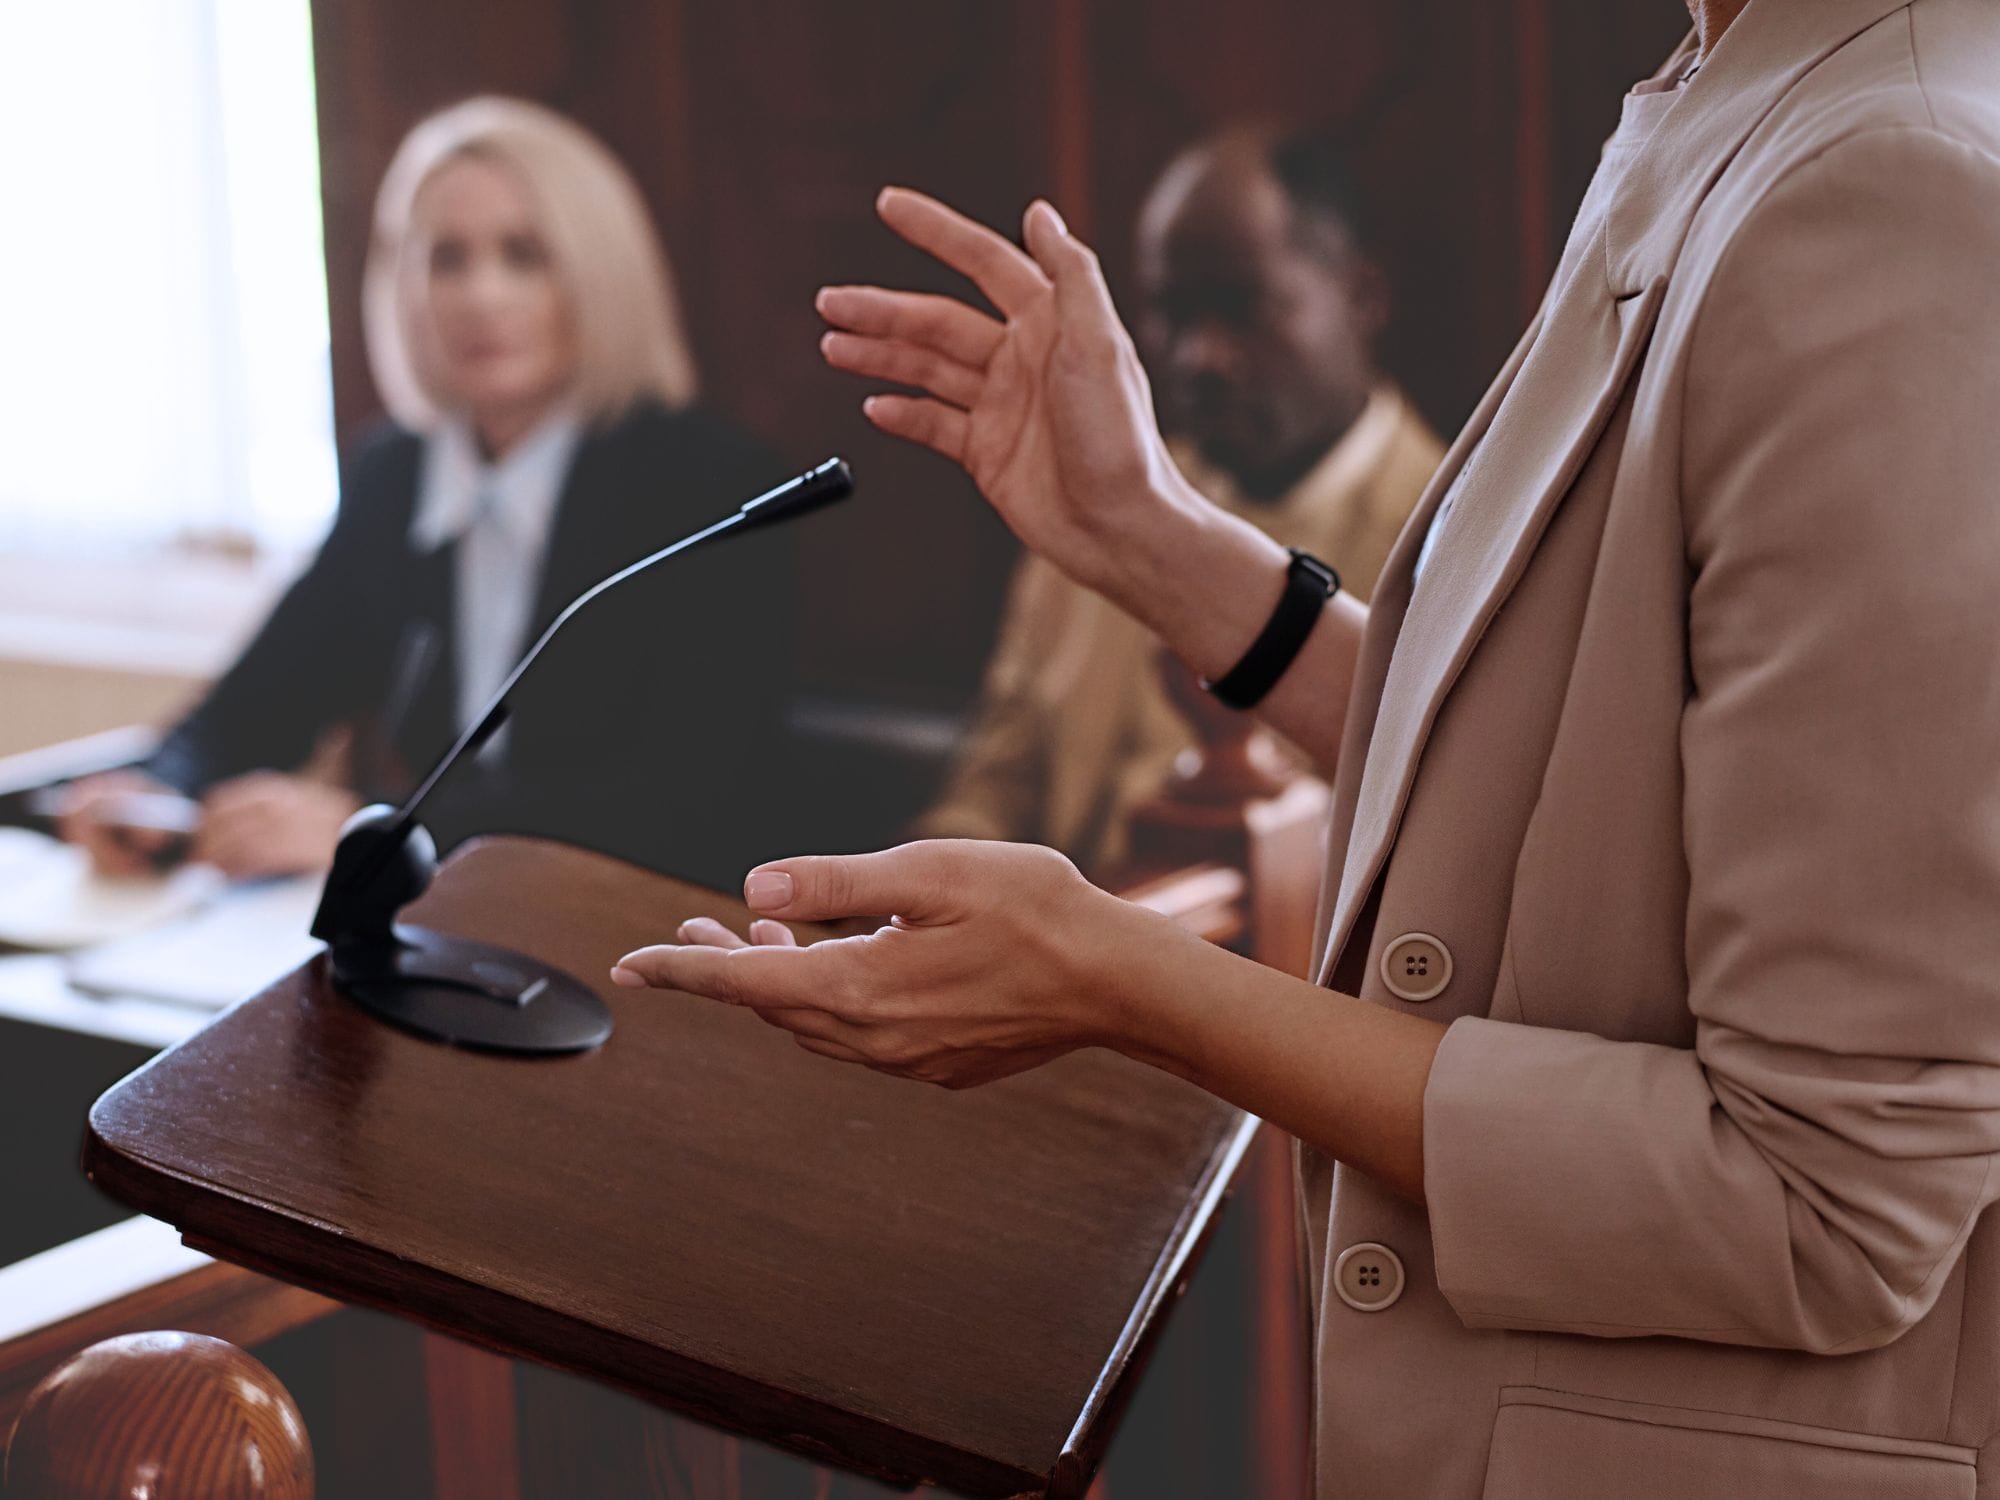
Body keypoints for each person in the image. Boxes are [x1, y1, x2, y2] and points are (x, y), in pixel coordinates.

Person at [613, 0, 2000, 1494]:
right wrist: (1144, 532)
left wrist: (1118, 976)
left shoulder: (1894, 185)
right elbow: (1572, 784)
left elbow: (1826, 1201)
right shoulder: (1737, 89)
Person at [57, 97, 794, 890]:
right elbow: (259, 703)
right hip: (439, 920)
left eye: (524, 255)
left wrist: (377, 830)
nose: (482, 295)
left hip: (635, 925)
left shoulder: (710, 486)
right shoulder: (395, 474)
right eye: (447, 259)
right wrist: (158, 790)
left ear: (598, 274)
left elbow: (678, 800)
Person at [914, 126, 1442, 870]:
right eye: (1172, 311)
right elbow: (998, 778)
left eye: (1242, 306)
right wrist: (919, 899)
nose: (1200, 356)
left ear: (1362, 296)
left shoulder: (1452, 544)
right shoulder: (1096, 495)